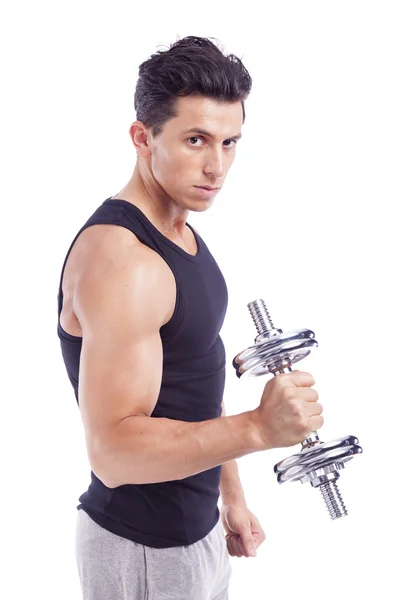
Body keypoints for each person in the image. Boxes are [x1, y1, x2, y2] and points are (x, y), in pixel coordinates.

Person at [56, 35, 323, 600]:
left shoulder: (180, 232)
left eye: (230, 142)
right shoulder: (126, 261)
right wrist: (256, 429)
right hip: (143, 549)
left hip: (192, 533)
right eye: (196, 140)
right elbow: (112, 452)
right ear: (142, 137)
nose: (217, 165)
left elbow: (192, 380)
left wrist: (231, 495)